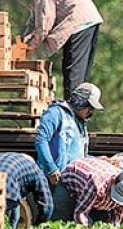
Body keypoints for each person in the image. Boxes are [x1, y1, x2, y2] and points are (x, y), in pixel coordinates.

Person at [1, 0, 103, 100]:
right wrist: (24, 37)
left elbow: (45, 18)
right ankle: (80, 118)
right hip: (89, 20)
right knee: (81, 80)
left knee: (73, 78)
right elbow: (36, 14)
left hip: (78, 22)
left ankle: (71, 118)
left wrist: (32, 44)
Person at [34, 82, 104, 219]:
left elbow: (78, 155)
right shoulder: (56, 112)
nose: (91, 112)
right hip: (56, 179)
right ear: (80, 101)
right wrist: (52, 168)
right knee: (53, 217)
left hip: (73, 181)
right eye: (89, 107)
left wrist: (98, 160)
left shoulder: (80, 124)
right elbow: (41, 140)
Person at [58, 156, 123, 227]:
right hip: (70, 181)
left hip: (92, 194)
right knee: (61, 217)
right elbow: (80, 213)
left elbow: (118, 215)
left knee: (99, 221)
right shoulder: (97, 184)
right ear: (113, 181)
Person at [0, 152, 53, 229]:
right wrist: (38, 225)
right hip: (6, 188)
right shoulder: (35, 169)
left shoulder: (5, 156)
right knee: (3, 225)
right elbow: (47, 206)